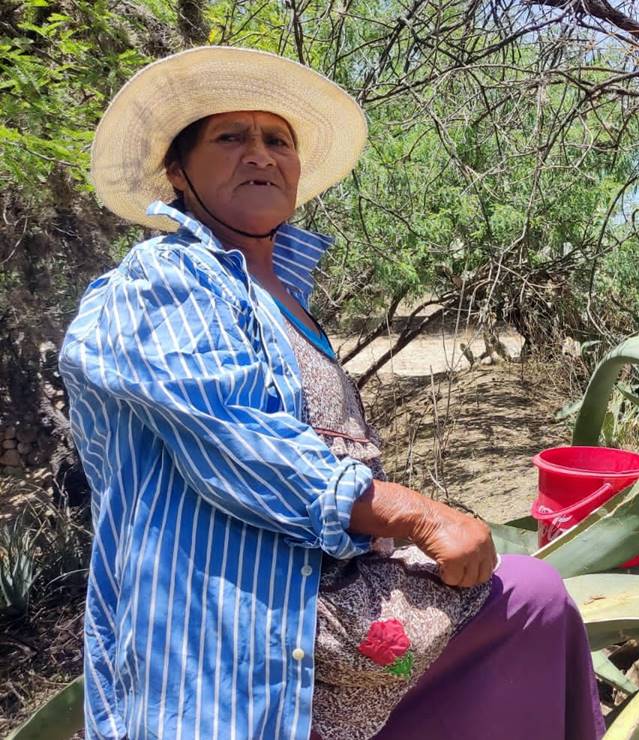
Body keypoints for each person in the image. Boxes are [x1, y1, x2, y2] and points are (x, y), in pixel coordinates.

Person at [60, 45, 604, 740]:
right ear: (177, 171)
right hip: (235, 633)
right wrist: (421, 517)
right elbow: (236, 440)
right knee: (531, 598)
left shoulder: (277, 293)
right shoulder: (166, 280)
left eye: (277, 139)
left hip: (316, 604)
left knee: (530, 602)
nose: (261, 154)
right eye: (231, 137)